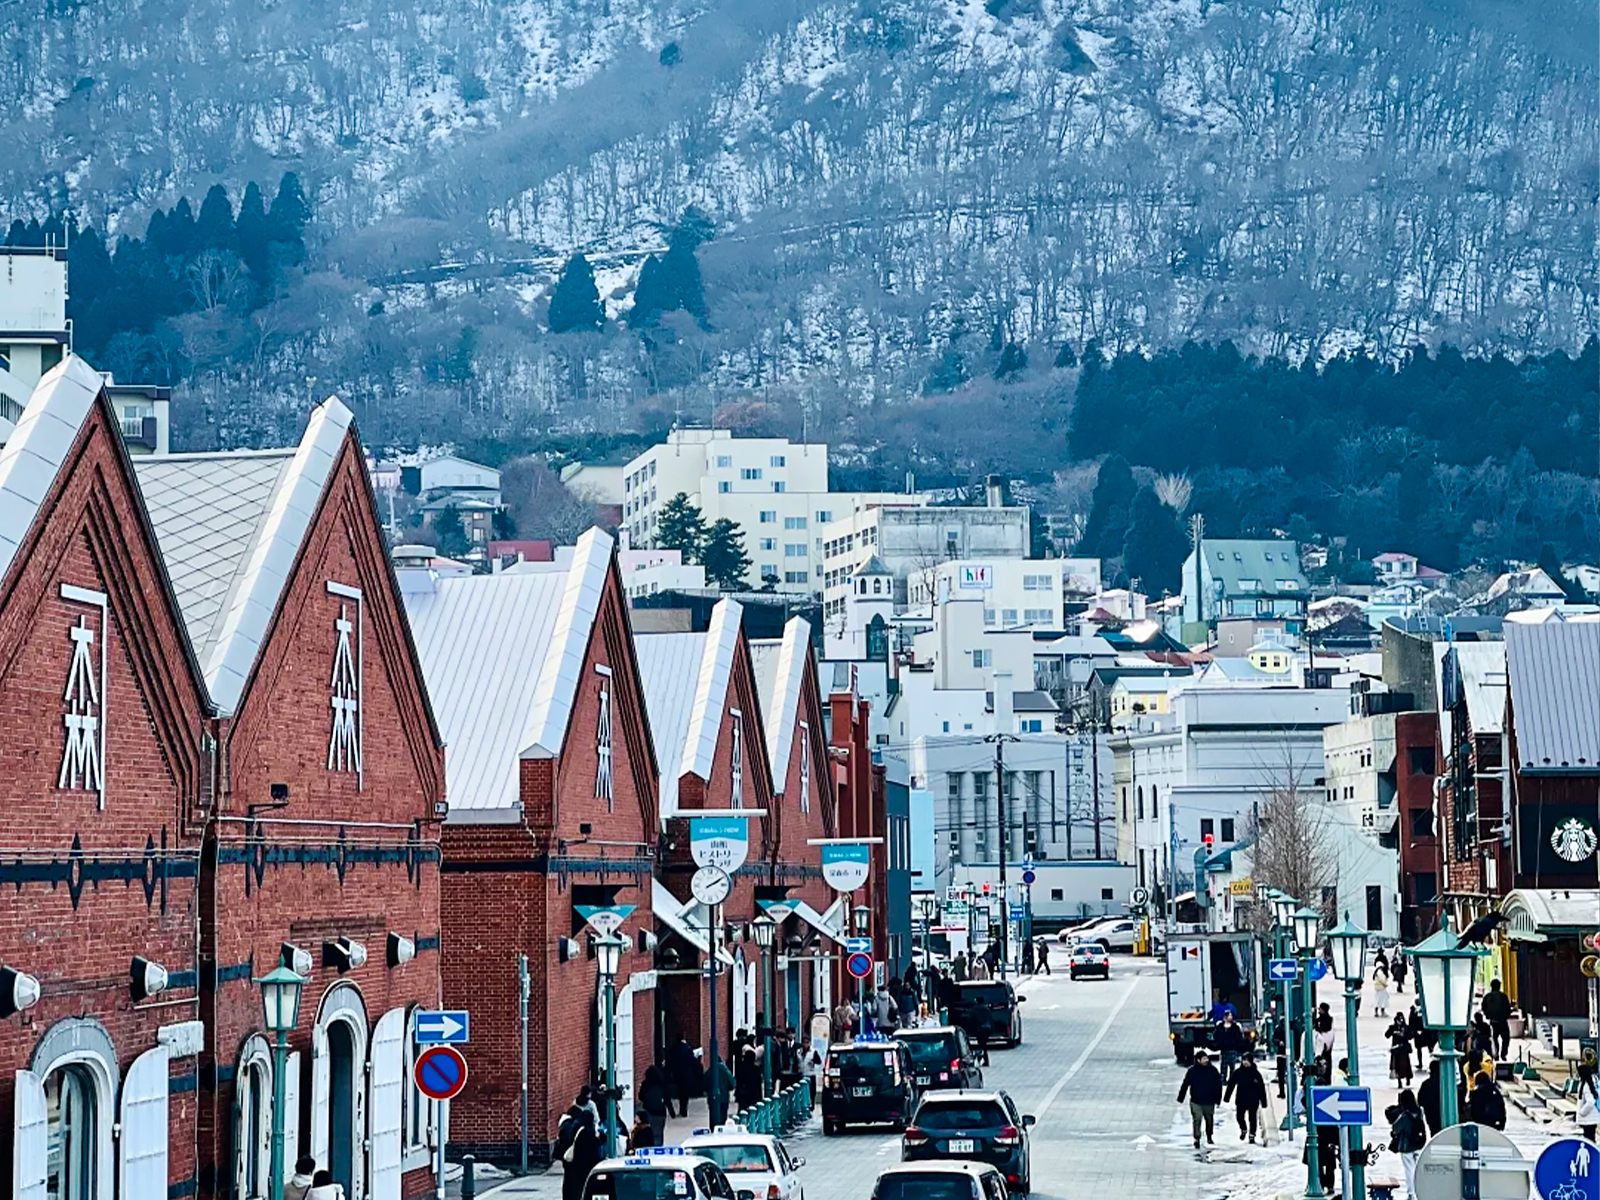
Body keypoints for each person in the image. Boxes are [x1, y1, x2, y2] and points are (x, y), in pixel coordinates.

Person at [1178, 1048, 1224, 1149]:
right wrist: (1181, 1097)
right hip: (1196, 1101)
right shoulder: (1192, 1071)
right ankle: (1197, 1138)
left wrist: (1218, 1099)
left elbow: (1218, 1085)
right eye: (1204, 1059)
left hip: (1209, 1101)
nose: (1206, 1060)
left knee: (1209, 1120)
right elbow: (1185, 1084)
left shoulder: (1212, 1071)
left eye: (1206, 1058)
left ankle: (1209, 1136)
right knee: (1197, 1119)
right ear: (1198, 1060)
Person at [1386, 1089, 1428, 1199]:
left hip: (1407, 1146)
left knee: (1409, 1169)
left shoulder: (1404, 1115)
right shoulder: (1420, 1111)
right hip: (1419, 1143)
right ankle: (1421, 1189)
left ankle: (1411, 1193)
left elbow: (1396, 1128)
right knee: (1418, 1168)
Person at [554, 1104, 601, 1200]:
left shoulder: (575, 1128)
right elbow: (593, 1146)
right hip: (584, 1165)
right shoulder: (587, 1132)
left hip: (574, 1163)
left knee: (572, 1185)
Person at [1225, 1052, 1269, 1143]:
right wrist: (1227, 1097)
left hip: (1253, 1099)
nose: (1245, 1062)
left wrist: (1263, 1101)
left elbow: (1261, 1088)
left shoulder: (1256, 1074)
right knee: (1239, 1116)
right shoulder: (1238, 1072)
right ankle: (1243, 1128)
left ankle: (1252, 1135)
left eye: (1247, 1061)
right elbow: (1231, 1084)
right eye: (1243, 1060)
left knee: (1252, 1118)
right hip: (1241, 1099)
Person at [638, 1064, 671, 1145]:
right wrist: (671, 1111)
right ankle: (659, 1146)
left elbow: (641, 1097)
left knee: (651, 1131)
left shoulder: (646, 1084)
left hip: (649, 1111)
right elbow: (667, 1097)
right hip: (660, 1112)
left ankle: (652, 1145)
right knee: (659, 1132)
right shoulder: (662, 1084)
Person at [1481, 978, 1513, 1060]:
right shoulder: (1503, 996)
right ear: (1499, 986)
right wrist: (1507, 1015)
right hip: (1502, 1021)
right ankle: (1503, 1053)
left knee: (1495, 1039)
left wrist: (1488, 1015)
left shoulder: (1487, 997)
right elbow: (1507, 1008)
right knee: (1506, 1038)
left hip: (1493, 1021)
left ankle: (1496, 1054)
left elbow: (1483, 1008)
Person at [1214, 1011, 1249, 1085]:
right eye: (1229, 1016)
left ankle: (1232, 1079)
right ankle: (1223, 1078)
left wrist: (1236, 1044)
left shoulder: (1235, 1027)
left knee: (1232, 1064)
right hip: (1224, 1049)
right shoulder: (1220, 1026)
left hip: (1232, 1048)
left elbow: (1239, 1036)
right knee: (1224, 1065)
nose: (1231, 1017)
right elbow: (1216, 1035)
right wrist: (1219, 1043)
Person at [668, 1037, 699, 1118]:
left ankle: (681, 1108)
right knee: (685, 1092)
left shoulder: (673, 1049)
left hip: (677, 1074)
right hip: (686, 1074)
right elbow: (692, 1061)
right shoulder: (687, 1049)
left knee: (680, 1091)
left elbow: (669, 1061)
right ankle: (684, 1109)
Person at [705, 1055, 735, 1128]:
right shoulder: (725, 1070)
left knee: (713, 1116)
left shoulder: (710, 1070)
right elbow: (732, 1083)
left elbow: (704, 1084)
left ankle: (714, 1129)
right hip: (724, 1096)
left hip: (712, 1097)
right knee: (723, 1115)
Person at [1387, 1014, 1414, 1087]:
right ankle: (1399, 1081)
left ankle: (1408, 1078)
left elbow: (1410, 1036)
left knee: (1406, 1065)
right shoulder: (1393, 1027)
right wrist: (1393, 1032)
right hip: (1396, 1049)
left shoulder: (1406, 1027)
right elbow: (1387, 1035)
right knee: (1397, 1066)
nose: (1400, 1022)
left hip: (1404, 1049)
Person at [1418, 1059, 1443, 1136]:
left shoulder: (1426, 1084)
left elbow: (1420, 1100)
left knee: (1434, 1132)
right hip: (1442, 1113)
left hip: (1431, 1114)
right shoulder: (1445, 1084)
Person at [1577, 1063, 1599, 1141]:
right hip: (1592, 1118)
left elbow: (1590, 1102)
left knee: (1589, 1139)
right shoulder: (1592, 1082)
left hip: (1588, 1118)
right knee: (1590, 1138)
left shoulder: (1586, 1085)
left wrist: (1582, 1112)